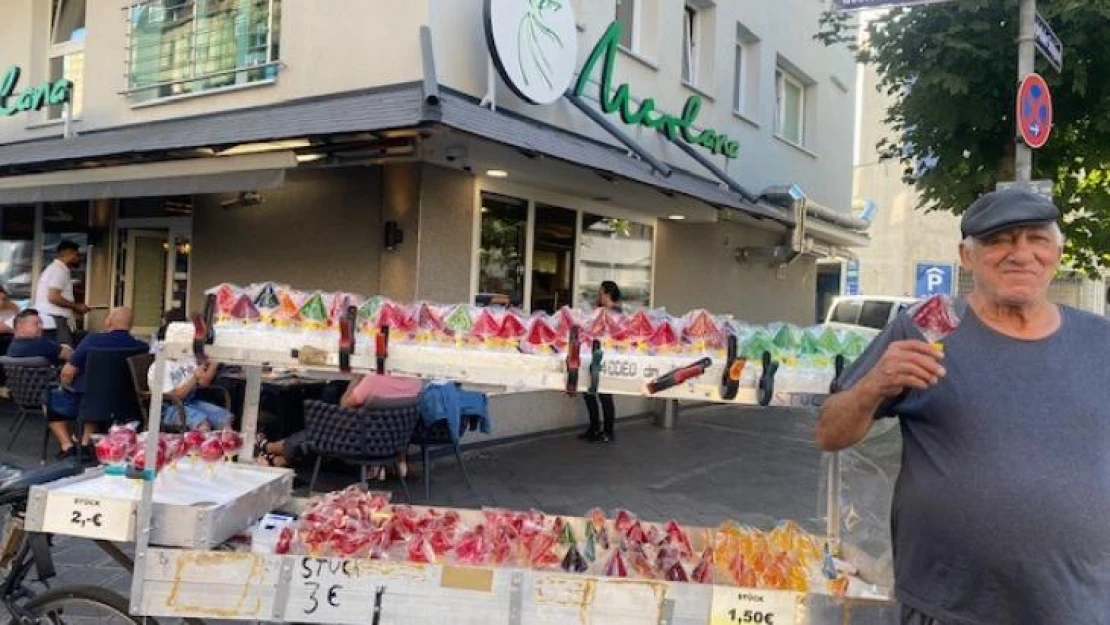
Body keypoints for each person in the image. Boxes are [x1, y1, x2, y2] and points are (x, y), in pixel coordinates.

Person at [815, 189, 1110, 625]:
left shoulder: (1098, 341)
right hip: (950, 606)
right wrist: (874, 385)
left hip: (1078, 604)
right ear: (966, 256)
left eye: (1036, 239)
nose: (1021, 253)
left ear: (1057, 252)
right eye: (1000, 240)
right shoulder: (925, 328)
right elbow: (829, 432)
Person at [257, 373, 422, 476]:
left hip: (357, 442)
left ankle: (267, 447)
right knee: (318, 433)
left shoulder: (374, 380)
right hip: (393, 443)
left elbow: (344, 403)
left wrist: (356, 378)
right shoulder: (415, 382)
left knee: (316, 432)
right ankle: (276, 459)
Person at [52, 307, 148, 456]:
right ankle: (83, 441)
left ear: (108, 321)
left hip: (90, 402)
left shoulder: (92, 340)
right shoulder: (141, 347)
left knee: (51, 398)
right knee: (93, 394)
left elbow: (67, 372)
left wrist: (65, 385)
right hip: (126, 403)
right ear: (131, 325)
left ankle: (68, 445)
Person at [5, 308, 74, 456]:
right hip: (48, 395)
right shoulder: (41, 344)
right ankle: (78, 440)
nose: (41, 327)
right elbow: (71, 356)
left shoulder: (12, 347)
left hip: (22, 396)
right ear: (20, 327)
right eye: (36, 324)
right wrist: (66, 348)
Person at [149, 309, 232, 431]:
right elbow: (176, 396)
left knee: (224, 418)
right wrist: (194, 378)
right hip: (169, 408)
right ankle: (203, 448)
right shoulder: (159, 367)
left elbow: (204, 383)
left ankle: (228, 445)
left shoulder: (186, 359)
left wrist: (215, 362)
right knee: (202, 423)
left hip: (190, 403)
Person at [579, 280, 621, 443]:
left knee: (605, 394)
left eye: (601, 292)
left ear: (608, 294)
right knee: (588, 392)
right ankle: (594, 427)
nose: (598, 295)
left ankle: (608, 431)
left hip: (606, 358)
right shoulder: (598, 311)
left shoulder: (615, 313)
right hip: (592, 355)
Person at [34, 240, 88, 347]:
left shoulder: (53, 269)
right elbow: (53, 297)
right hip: (56, 320)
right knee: (65, 352)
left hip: (51, 319)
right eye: (77, 255)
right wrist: (76, 306)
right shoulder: (59, 270)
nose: (79, 258)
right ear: (68, 253)